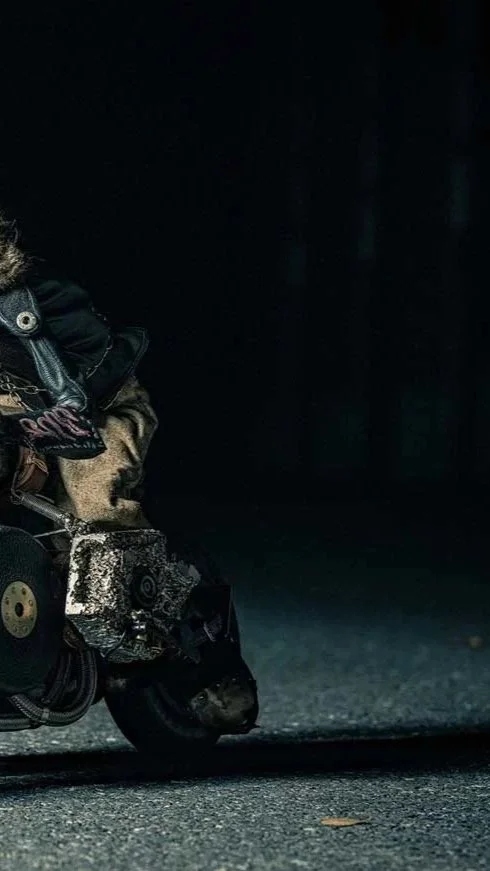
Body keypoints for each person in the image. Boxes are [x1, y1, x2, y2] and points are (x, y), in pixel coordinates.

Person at [0, 209, 158, 536]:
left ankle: (123, 563)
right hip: (21, 400)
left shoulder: (17, 302)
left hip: (98, 407)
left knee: (96, 510)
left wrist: (9, 432)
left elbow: (74, 411)